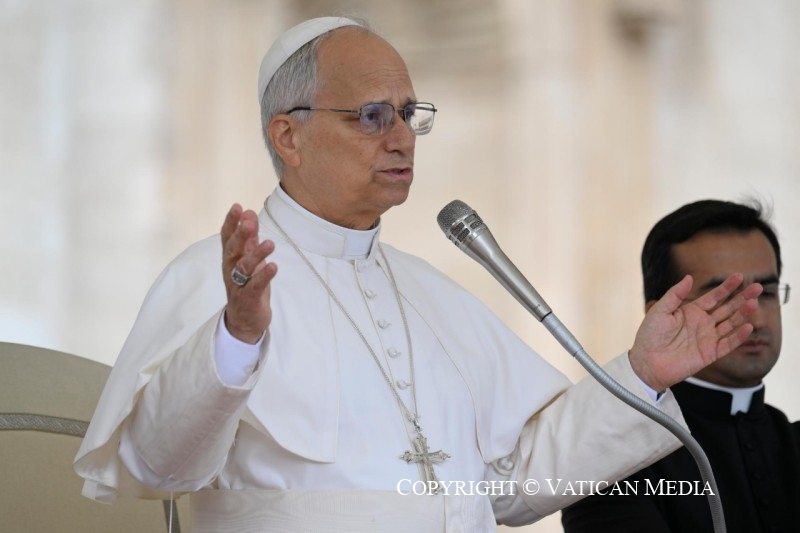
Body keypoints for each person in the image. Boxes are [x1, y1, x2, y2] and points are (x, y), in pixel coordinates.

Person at [73, 17, 761, 532]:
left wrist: (641, 373)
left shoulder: (432, 294)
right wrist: (237, 337)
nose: (401, 137)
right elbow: (154, 467)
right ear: (289, 136)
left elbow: (518, 485)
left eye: (409, 114)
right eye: (372, 116)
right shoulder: (210, 280)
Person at [561, 198, 800, 532]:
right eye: (726, 296)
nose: (755, 317)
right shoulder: (611, 464)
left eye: (767, 293)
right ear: (662, 316)